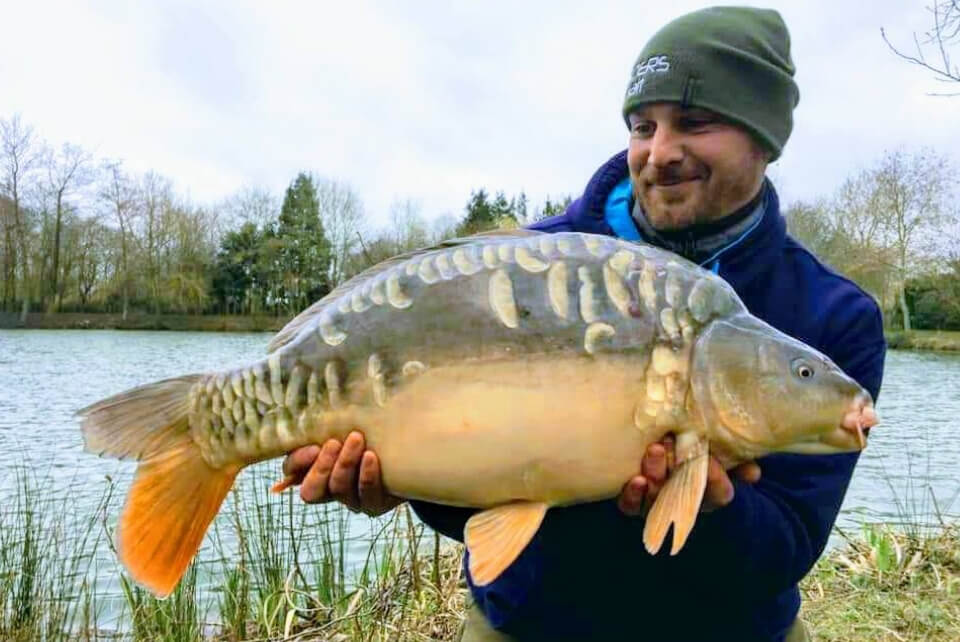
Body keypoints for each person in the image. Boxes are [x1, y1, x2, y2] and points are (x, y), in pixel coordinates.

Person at [278, 7, 886, 641]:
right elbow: (476, 485)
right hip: (528, 625)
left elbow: (786, 546)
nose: (660, 151)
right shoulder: (519, 269)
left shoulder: (834, 315)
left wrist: (713, 511)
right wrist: (395, 483)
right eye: (643, 126)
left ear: (765, 138)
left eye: (695, 123)